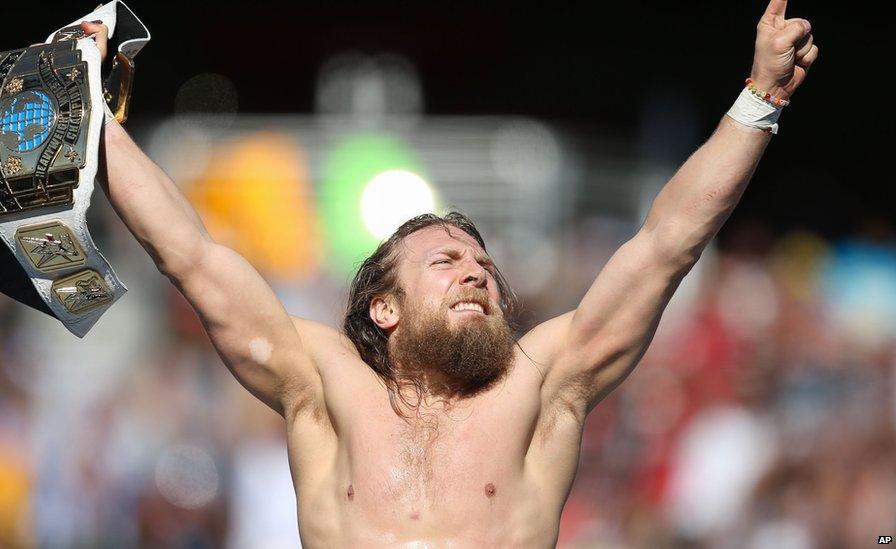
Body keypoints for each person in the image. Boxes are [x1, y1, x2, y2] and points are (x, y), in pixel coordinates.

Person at [81, 0, 817, 545]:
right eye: (446, 261)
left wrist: (761, 99)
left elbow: (667, 244)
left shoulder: (541, 382)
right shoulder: (325, 385)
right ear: (384, 310)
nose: (476, 274)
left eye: (484, 266)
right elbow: (193, 255)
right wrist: (96, 123)